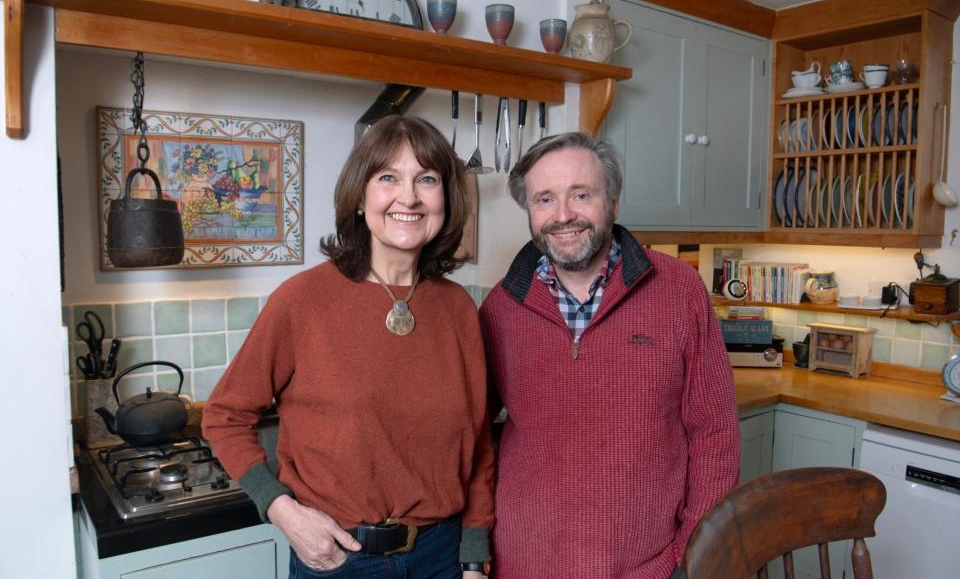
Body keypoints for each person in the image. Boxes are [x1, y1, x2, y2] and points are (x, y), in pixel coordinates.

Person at [203, 116, 494, 579]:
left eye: (427, 179)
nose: (409, 196)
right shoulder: (302, 300)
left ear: (446, 198)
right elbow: (224, 415)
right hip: (340, 559)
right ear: (360, 197)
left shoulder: (459, 309)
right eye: (388, 178)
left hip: (443, 556)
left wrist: (474, 556)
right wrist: (281, 509)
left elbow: (477, 444)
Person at [478, 132, 740, 578]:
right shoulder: (501, 309)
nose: (563, 215)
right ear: (529, 212)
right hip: (522, 565)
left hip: (649, 568)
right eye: (544, 199)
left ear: (613, 203)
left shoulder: (679, 292)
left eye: (581, 194)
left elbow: (715, 433)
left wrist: (692, 556)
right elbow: (469, 437)